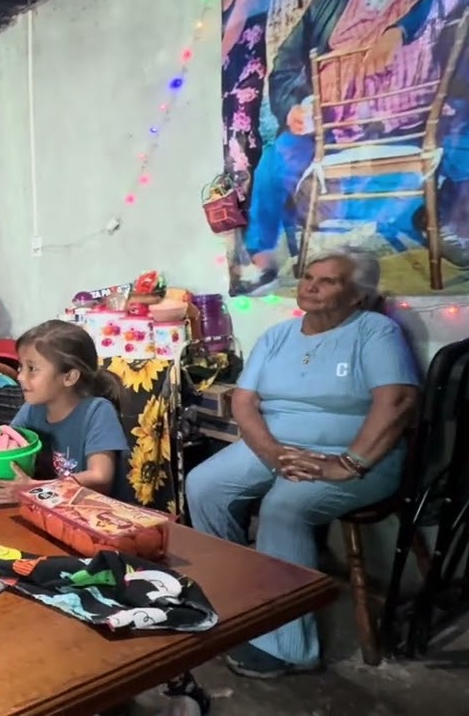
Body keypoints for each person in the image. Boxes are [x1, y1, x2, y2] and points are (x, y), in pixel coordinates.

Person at [185, 246, 420, 679]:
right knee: (204, 485)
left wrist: (347, 464)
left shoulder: (375, 331)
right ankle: (234, 601)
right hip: (275, 444)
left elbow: (398, 401)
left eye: (328, 280)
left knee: (285, 507)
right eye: (308, 277)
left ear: (357, 295)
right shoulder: (277, 336)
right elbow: (244, 402)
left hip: (360, 457)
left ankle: (289, 648)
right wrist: (270, 453)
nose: (311, 285)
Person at [239, 0, 453, 290]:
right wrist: (292, 109)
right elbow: (285, 67)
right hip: (328, 124)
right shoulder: (327, 3)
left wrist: (400, 29)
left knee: (456, 150)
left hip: (407, 122)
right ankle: (262, 261)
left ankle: (438, 224)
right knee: (274, 161)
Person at [0, 320, 130, 504]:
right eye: (21, 367)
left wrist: (36, 488)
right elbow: (5, 457)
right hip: (49, 511)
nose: (21, 377)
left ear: (69, 377)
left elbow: (100, 478)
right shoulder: (32, 409)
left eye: (32, 369)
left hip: (97, 518)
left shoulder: (97, 412)